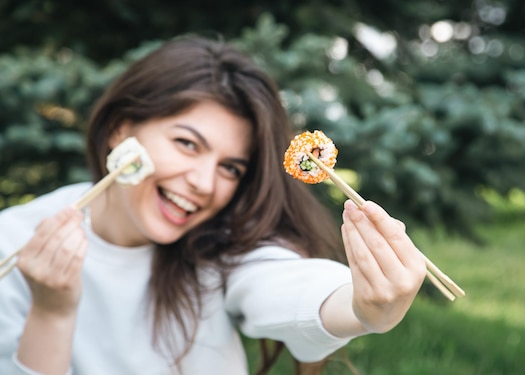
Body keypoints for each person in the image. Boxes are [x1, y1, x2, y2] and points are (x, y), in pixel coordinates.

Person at [0, 35, 427, 375]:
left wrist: (362, 306)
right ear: (119, 129)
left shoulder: (218, 241)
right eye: (187, 144)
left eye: (231, 168)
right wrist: (52, 312)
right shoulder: (14, 243)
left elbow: (282, 284)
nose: (204, 183)